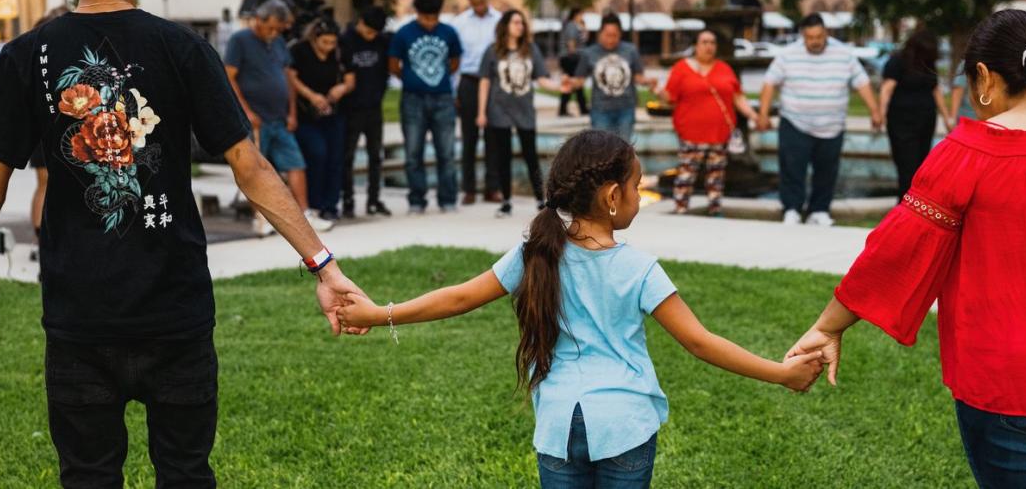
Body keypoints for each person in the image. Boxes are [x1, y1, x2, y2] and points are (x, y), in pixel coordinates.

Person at [0, 0, 368, 486]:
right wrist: (324, 266)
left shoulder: (25, 55)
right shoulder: (183, 49)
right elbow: (250, 167)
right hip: (174, 314)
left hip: (79, 319)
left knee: (87, 477)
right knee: (186, 474)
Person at [786, 9, 1026, 488]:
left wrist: (828, 327)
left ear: (984, 76)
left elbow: (899, 251)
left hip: (1013, 387)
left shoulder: (970, 153)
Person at [334, 130, 826, 487]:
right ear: (614, 197)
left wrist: (379, 314)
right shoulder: (638, 267)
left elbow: (460, 296)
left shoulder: (536, 251)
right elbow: (699, 342)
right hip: (625, 426)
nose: (640, 194)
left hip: (558, 426)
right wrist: (781, 374)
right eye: (637, 186)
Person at [756, 14, 883, 226]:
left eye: (819, 36)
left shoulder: (844, 54)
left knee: (826, 170)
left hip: (832, 125)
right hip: (795, 121)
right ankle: (792, 209)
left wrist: (875, 111)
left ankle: (820, 209)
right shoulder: (787, 55)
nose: (815, 41)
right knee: (792, 168)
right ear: (802, 36)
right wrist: (763, 114)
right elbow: (770, 83)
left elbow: (861, 81)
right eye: (810, 37)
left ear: (826, 33)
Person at [225, 0, 333, 234]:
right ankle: (261, 219)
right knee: (255, 170)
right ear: (259, 20)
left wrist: (292, 111)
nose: (274, 32)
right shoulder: (239, 40)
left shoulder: (278, 42)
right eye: (271, 27)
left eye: (278, 28)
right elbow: (229, 76)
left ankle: (305, 215)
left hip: (279, 117)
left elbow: (287, 77)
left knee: (296, 164)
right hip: (255, 120)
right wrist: (245, 110)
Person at [657, 29, 759, 215]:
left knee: (717, 176)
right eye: (704, 42)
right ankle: (681, 208)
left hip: (719, 133)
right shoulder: (682, 68)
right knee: (686, 175)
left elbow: (738, 98)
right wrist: (659, 92)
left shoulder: (724, 68)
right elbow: (670, 97)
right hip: (691, 133)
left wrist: (755, 116)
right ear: (696, 46)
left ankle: (714, 208)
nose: (708, 46)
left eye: (712, 42)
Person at [476, 10, 562, 218]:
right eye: (515, 22)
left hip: (524, 110)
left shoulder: (531, 49)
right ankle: (506, 202)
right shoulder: (493, 51)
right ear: (505, 25)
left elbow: (541, 79)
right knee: (502, 157)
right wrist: (481, 112)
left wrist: (561, 88)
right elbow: (485, 81)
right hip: (499, 110)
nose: (520, 26)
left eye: (522, 23)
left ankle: (540, 202)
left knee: (530, 155)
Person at [389, 0, 462, 214]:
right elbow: (393, 65)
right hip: (413, 100)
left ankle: (448, 199)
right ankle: (416, 200)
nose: (430, 23)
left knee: (447, 153)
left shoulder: (449, 32)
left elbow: (454, 62)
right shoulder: (403, 33)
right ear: (417, 13)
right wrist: (412, 79)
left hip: (443, 99)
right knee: (413, 153)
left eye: (434, 18)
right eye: (425, 17)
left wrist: (436, 80)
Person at [290, 18, 354, 222]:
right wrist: (310, 95)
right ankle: (313, 204)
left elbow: (351, 79)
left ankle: (331, 204)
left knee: (335, 158)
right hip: (307, 113)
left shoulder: (340, 51)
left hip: (334, 112)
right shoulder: (299, 51)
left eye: (332, 43)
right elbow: (290, 77)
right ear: (315, 38)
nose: (329, 47)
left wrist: (342, 88)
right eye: (324, 42)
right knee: (317, 154)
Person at [879, 28, 950, 198]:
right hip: (901, 120)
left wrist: (947, 117)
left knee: (921, 162)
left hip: (925, 119)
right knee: (906, 163)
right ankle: (905, 201)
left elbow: (936, 90)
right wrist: (880, 113)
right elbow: (887, 89)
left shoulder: (927, 64)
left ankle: (915, 201)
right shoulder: (897, 61)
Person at [451, 0, 503, 205]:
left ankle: (493, 187)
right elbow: (455, 60)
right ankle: (469, 189)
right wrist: (455, 91)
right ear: (469, 1)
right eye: (475, 3)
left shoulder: (500, 20)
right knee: (469, 137)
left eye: (482, 2)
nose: (479, 6)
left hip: (494, 83)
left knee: (494, 137)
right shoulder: (459, 23)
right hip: (469, 82)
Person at [339, 6, 392, 218]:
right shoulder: (346, 40)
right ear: (360, 22)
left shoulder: (383, 40)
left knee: (375, 156)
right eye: (368, 31)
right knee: (347, 156)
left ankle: (373, 199)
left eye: (374, 33)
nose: (371, 36)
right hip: (351, 107)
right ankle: (348, 199)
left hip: (374, 106)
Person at [26, 5, 70, 264]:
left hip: (40, 121)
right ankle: (48, 239)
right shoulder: (65, 44)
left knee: (43, 183)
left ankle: (41, 240)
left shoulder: (36, 46)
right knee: (52, 184)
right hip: (61, 123)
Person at [569, 13, 655, 141]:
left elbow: (638, 76)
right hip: (600, 110)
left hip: (626, 110)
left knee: (623, 150)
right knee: (602, 151)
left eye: (614, 35)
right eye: (607, 35)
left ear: (620, 34)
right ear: (600, 34)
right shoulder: (589, 53)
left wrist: (648, 81)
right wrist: (570, 82)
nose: (610, 39)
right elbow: (580, 80)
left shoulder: (631, 50)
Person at [558, 7, 589, 117]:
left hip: (574, 58)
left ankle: (579, 108)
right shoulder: (571, 26)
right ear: (576, 14)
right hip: (570, 58)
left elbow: (584, 39)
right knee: (572, 82)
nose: (583, 17)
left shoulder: (578, 26)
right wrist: (575, 57)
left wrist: (584, 28)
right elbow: (571, 44)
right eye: (581, 14)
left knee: (576, 83)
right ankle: (579, 108)